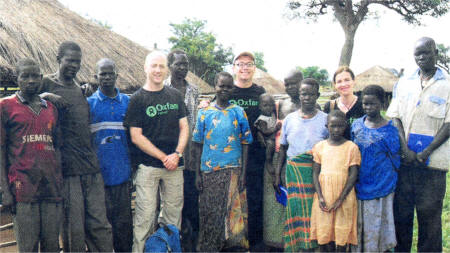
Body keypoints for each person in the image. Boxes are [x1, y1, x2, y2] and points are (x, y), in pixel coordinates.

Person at [39, 41, 113, 252]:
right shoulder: (46, 83)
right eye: (70, 60)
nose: (74, 65)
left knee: (100, 223)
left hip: (90, 165)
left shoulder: (81, 88)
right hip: (67, 168)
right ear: (58, 59)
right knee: (73, 227)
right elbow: (23, 99)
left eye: (77, 62)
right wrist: (45, 96)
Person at [386, 37, 449, 252]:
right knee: (401, 218)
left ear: (436, 53)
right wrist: (405, 150)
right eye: (417, 54)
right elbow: (395, 118)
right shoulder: (403, 84)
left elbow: (449, 124)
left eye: (426, 53)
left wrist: (426, 152)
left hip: (433, 167)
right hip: (405, 164)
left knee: (430, 222)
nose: (421, 58)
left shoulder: (448, 85)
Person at [124, 51, 189, 253]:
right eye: (154, 66)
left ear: (166, 69)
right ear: (145, 68)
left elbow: (185, 127)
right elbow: (136, 136)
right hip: (148, 167)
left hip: (174, 166)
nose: (158, 70)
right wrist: (163, 157)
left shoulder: (175, 96)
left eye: (161, 66)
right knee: (144, 218)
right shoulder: (137, 99)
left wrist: (177, 154)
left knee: (172, 220)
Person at [0, 59, 62, 252]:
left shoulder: (50, 108)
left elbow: (57, 146)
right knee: (28, 247)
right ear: (16, 79)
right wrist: (5, 191)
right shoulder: (5, 107)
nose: (30, 80)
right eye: (25, 76)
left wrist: (59, 181)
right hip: (23, 189)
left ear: (41, 78)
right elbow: (1, 151)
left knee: (52, 245)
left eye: (35, 75)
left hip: (51, 188)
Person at [192, 71, 252, 252]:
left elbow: (246, 143)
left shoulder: (238, 112)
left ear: (232, 88)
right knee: (210, 214)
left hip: (233, 170)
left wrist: (242, 173)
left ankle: (233, 249)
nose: (224, 89)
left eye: (228, 86)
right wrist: (197, 174)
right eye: (221, 86)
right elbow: (197, 145)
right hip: (209, 173)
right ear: (215, 87)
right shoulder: (204, 113)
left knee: (233, 216)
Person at [274, 78, 328, 252]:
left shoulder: (326, 120)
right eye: (304, 94)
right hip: (294, 174)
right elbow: (282, 148)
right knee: (295, 213)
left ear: (317, 96)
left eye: (311, 94)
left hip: (317, 175)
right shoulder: (289, 119)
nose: (307, 97)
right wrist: (277, 174)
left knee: (315, 213)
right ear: (299, 95)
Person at [87, 58, 133, 252]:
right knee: (101, 227)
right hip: (98, 177)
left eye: (110, 73)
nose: (106, 77)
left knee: (123, 227)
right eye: (102, 74)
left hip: (123, 175)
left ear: (117, 76)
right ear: (96, 77)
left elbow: (134, 138)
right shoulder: (88, 104)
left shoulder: (128, 103)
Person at [351, 85, 399, 252]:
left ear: (382, 103)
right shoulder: (356, 125)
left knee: (379, 226)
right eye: (365, 104)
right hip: (359, 183)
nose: (368, 107)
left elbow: (395, 159)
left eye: (373, 104)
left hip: (382, 186)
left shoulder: (390, 130)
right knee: (360, 225)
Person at [310, 110, 360, 252]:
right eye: (333, 126)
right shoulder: (320, 147)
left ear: (345, 126)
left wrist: (340, 199)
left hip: (344, 196)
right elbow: (315, 172)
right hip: (324, 196)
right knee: (325, 234)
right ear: (327, 126)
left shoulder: (351, 147)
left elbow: (353, 175)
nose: (336, 130)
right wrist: (320, 196)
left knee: (342, 234)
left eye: (340, 126)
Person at [231, 51, 266, 250]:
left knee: (255, 200)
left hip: (255, 157)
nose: (245, 67)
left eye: (249, 64)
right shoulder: (228, 91)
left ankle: (255, 243)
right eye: (240, 63)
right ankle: (235, 243)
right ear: (234, 67)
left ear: (254, 68)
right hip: (232, 157)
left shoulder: (260, 93)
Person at [165, 49, 200, 250]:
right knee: (171, 202)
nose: (183, 68)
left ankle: (190, 245)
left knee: (191, 201)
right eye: (178, 64)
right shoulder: (163, 88)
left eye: (185, 64)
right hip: (170, 151)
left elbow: (194, 122)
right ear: (170, 66)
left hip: (190, 153)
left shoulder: (193, 90)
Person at [324, 66, 364, 139]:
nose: (343, 84)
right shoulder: (330, 106)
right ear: (335, 85)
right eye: (339, 81)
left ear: (354, 81)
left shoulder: (363, 105)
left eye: (347, 80)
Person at [254, 93, 281, 175]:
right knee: (270, 145)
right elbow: (264, 131)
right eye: (265, 105)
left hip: (273, 137)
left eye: (271, 105)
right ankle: (269, 162)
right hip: (267, 138)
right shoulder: (262, 119)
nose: (268, 108)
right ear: (260, 107)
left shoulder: (273, 114)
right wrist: (275, 129)